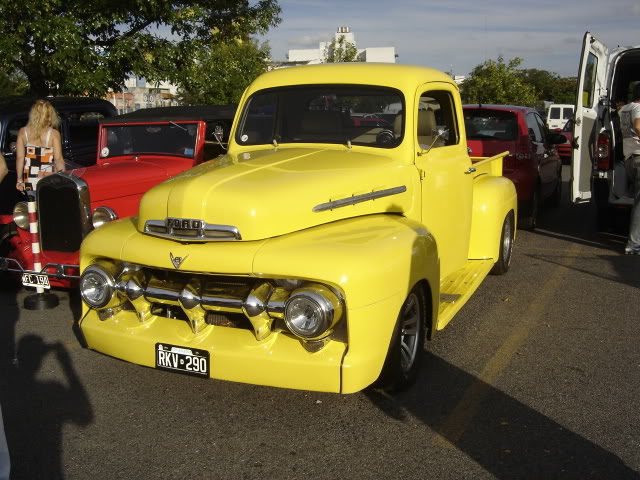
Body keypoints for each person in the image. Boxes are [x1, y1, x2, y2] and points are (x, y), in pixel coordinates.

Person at [15, 100, 65, 192]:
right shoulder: (54, 134)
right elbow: (58, 159)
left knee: (31, 205)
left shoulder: (23, 132)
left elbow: (20, 158)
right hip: (47, 177)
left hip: (29, 178)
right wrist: (63, 179)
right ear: (50, 116)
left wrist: (19, 180)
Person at [618, 83, 640, 255]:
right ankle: (634, 245)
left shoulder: (625, 108)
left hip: (630, 158)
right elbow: (638, 127)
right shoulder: (638, 109)